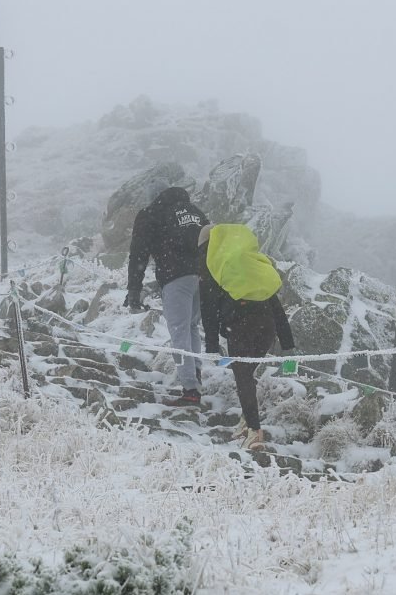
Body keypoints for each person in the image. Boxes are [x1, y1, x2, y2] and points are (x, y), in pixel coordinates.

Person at [199, 224, 295, 452]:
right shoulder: (249, 263)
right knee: (246, 374)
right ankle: (246, 420)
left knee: (242, 376)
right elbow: (274, 303)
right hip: (267, 326)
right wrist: (287, 340)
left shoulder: (213, 265)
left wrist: (212, 344)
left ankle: (254, 432)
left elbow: (208, 308)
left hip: (241, 326)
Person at [125, 185, 209, 406]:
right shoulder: (195, 212)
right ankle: (195, 376)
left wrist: (134, 288)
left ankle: (190, 390)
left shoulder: (151, 213)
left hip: (175, 277)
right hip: (202, 277)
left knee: (179, 331)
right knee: (191, 328)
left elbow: (138, 252)